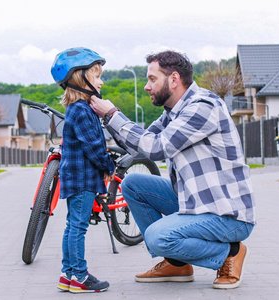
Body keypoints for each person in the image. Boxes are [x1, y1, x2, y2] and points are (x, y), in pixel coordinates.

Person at [90, 50, 255, 289]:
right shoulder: (174, 112)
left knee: (156, 237)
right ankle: (177, 263)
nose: (147, 86)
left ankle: (231, 251)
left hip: (225, 214)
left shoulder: (203, 107)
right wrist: (105, 118)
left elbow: (157, 147)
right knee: (133, 184)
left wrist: (113, 114)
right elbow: (142, 143)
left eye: (152, 79)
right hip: (195, 202)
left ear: (174, 79)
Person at [50, 47, 115, 293]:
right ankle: (79, 275)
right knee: (78, 227)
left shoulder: (76, 110)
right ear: (81, 79)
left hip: (74, 177)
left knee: (72, 225)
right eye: (97, 76)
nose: (101, 81)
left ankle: (67, 274)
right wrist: (108, 166)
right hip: (83, 178)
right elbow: (95, 147)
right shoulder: (83, 111)